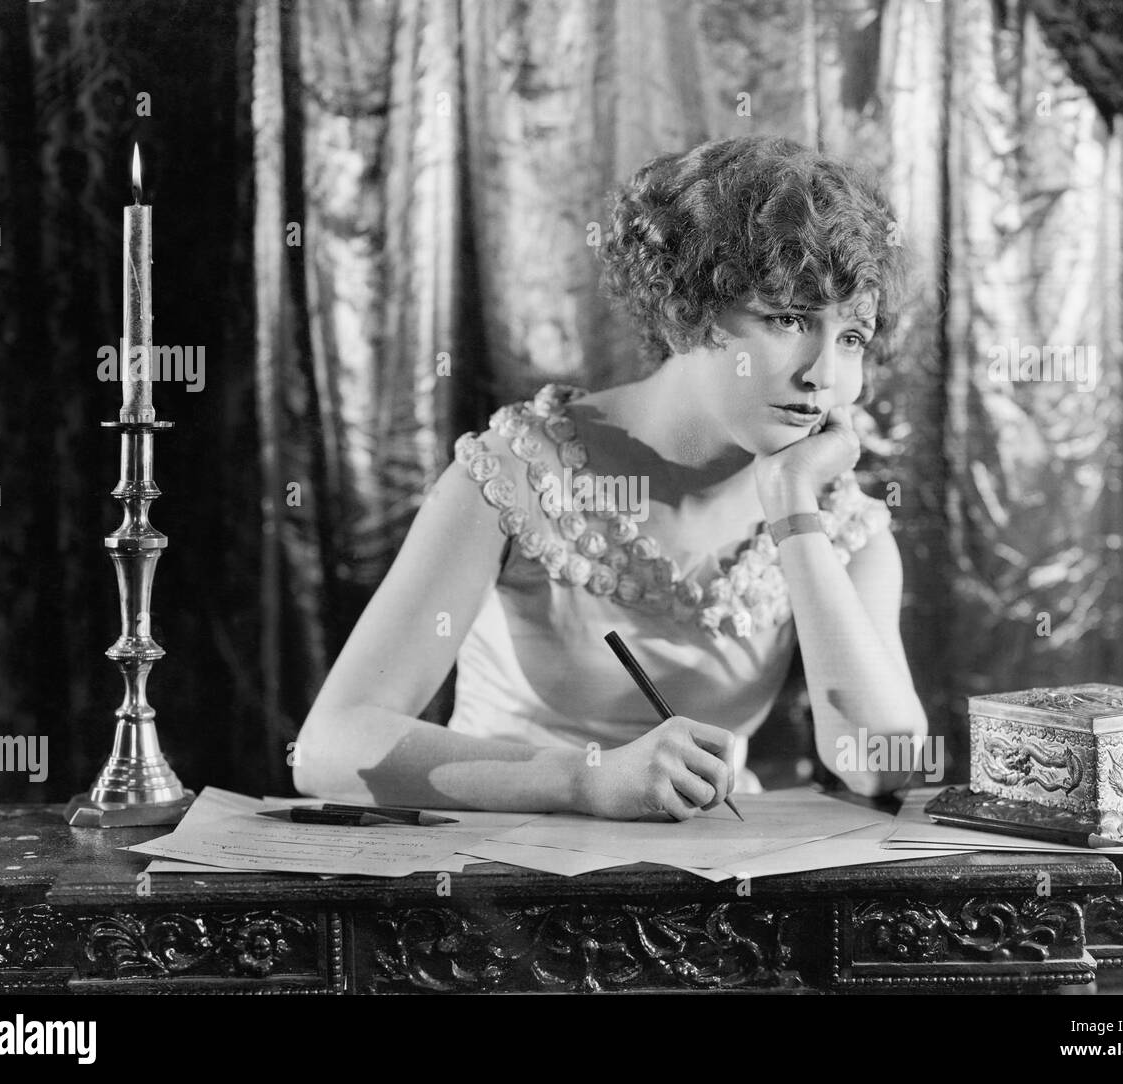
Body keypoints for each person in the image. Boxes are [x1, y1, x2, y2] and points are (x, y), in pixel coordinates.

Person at [293, 135, 928, 820]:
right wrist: (586, 779)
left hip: (714, 895)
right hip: (501, 885)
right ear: (689, 312)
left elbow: (881, 765)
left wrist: (794, 513)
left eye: (852, 337)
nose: (823, 375)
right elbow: (330, 745)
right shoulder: (518, 472)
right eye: (787, 319)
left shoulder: (836, 519)